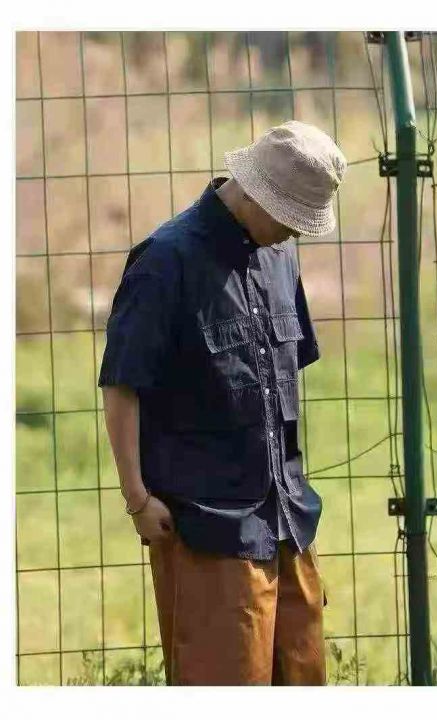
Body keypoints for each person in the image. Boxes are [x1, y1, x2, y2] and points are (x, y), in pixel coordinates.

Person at [98, 119, 347, 686]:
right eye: (290, 218)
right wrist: (137, 499)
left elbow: (284, 379)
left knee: (305, 684)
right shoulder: (165, 261)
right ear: (257, 192)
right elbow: (121, 385)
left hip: (288, 523)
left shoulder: (280, 255)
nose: (295, 232)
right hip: (207, 531)